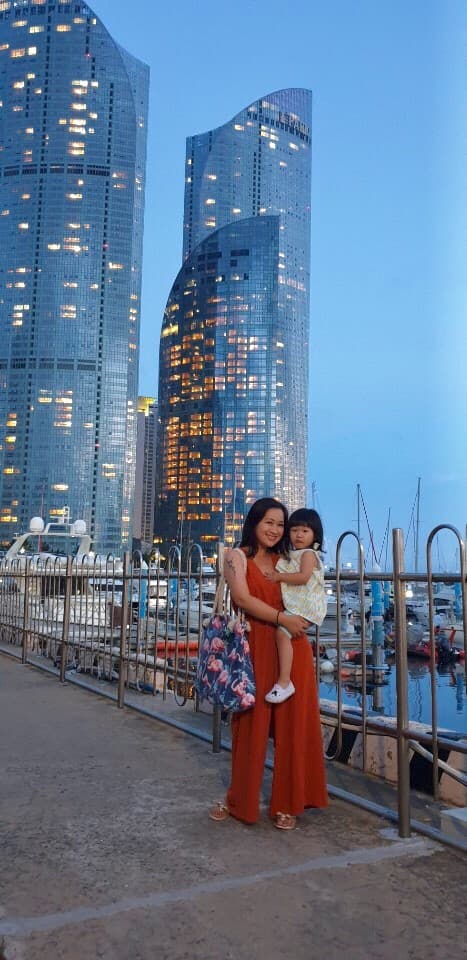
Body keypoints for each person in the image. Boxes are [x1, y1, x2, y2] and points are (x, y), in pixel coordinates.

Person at [209, 497, 328, 830]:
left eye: (281, 524)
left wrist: (295, 620)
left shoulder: (288, 560)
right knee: (250, 726)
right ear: (254, 523)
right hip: (254, 647)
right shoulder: (237, 557)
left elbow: (311, 587)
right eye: (269, 523)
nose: (276, 530)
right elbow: (242, 599)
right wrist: (281, 618)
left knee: (294, 727)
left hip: (293, 647)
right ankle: (239, 799)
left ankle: (288, 803)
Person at [263, 508, 327, 704]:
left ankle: (284, 681)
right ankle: (284, 680)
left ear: (315, 535)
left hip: (306, 606)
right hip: (298, 605)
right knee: (283, 634)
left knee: (282, 633)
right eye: (294, 530)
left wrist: (278, 576)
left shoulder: (308, 554)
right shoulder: (294, 554)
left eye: (305, 531)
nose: (299, 535)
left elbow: (303, 577)